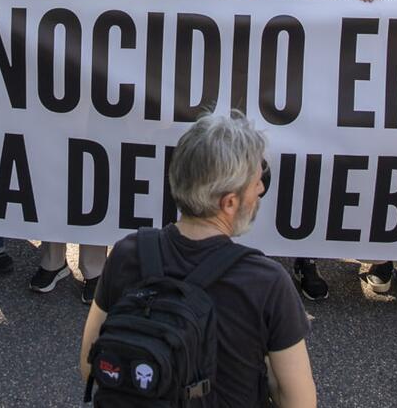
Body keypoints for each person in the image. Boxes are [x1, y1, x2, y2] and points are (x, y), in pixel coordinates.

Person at [79, 110, 316, 408]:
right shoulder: (267, 283)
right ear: (229, 202)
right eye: (256, 181)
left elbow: (90, 364)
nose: (261, 189)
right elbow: (298, 400)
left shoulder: (128, 252)